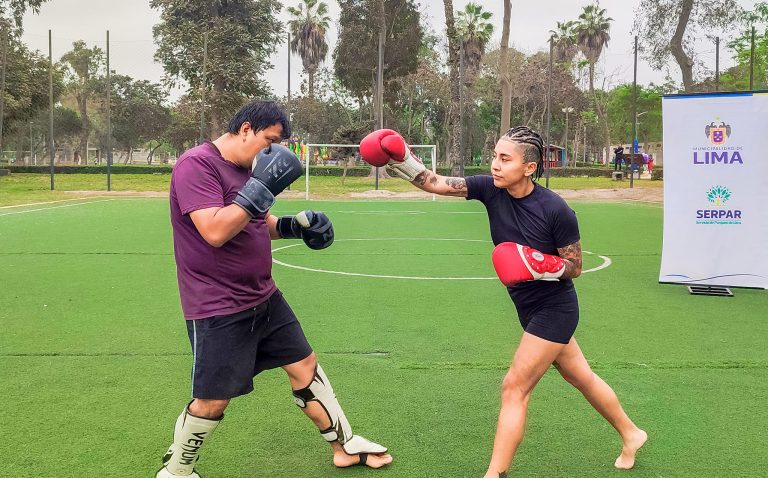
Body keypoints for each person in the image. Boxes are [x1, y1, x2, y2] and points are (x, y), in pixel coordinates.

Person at [359, 127, 646, 477]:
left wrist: (541, 265)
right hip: (526, 307)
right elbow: (433, 182)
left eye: (505, 159)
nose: (495, 165)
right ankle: (632, 433)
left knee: (515, 387)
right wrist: (402, 158)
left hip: (555, 310)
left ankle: (495, 474)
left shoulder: (557, 210)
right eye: (495, 155)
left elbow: (576, 267)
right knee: (581, 377)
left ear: (529, 167)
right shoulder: (490, 190)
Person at [157, 100, 392, 478]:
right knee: (213, 402)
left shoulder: (246, 169)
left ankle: (344, 445)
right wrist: (260, 187)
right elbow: (216, 230)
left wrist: (295, 227)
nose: (271, 152)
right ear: (246, 128)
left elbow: (257, 221)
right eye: (269, 141)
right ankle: (177, 471)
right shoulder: (196, 165)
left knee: (306, 368)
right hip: (218, 305)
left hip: (264, 296)